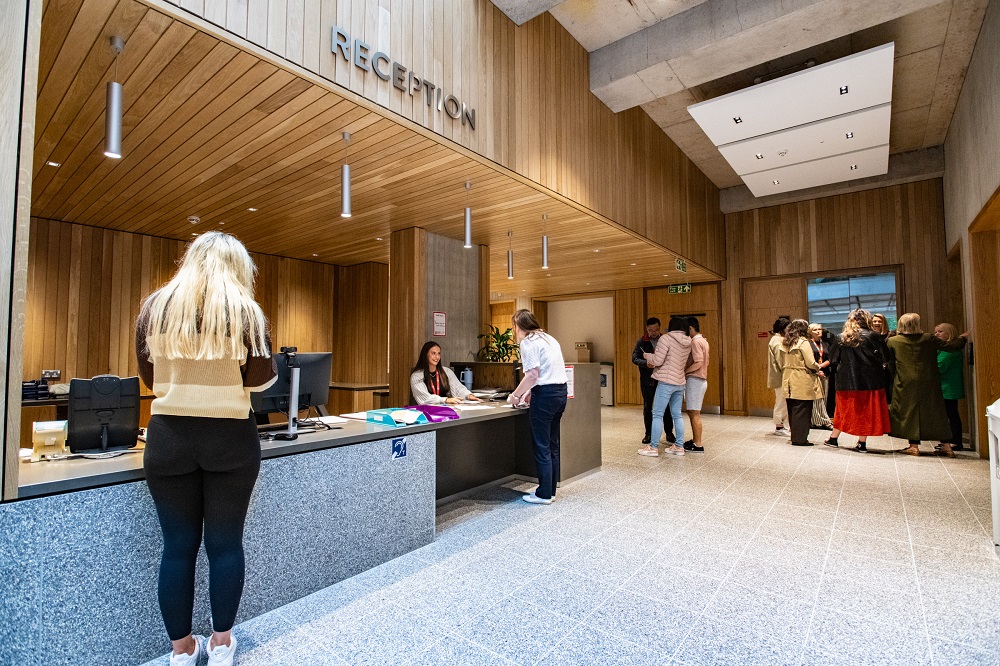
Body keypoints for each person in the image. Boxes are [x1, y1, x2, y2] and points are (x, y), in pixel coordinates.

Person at [135, 232, 278, 666]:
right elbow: (260, 382)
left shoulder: (155, 308)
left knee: (177, 546)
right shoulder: (247, 313)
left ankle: (181, 652)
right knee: (225, 543)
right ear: (238, 268)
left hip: (168, 437)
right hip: (230, 438)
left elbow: (148, 376)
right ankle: (220, 646)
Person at [507, 309, 568, 504]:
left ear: (519, 326)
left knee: (541, 445)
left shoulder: (528, 342)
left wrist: (515, 396)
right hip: (560, 393)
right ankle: (550, 490)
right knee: (552, 444)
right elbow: (548, 371)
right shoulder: (549, 339)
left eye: (514, 327)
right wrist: (531, 392)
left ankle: (543, 495)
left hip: (545, 398)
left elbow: (533, 375)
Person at [888, 313, 968, 457]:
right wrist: (963, 338)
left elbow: (889, 362)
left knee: (909, 412)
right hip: (929, 380)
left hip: (905, 381)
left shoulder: (893, 341)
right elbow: (952, 346)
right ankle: (947, 446)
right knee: (938, 412)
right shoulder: (928, 338)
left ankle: (913, 446)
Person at [823, 309, 891, 452]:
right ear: (867, 319)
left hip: (846, 381)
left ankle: (834, 438)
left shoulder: (841, 337)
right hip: (871, 381)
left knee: (842, 411)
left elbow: (833, 359)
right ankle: (861, 443)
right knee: (866, 412)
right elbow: (886, 357)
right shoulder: (874, 336)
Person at [638, 316, 692, 457]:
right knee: (677, 415)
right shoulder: (688, 340)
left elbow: (658, 360)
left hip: (666, 381)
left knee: (657, 414)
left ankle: (653, 447)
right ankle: (679, 446)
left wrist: (647, 356)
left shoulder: (665, 339)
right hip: (680, 382)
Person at [776, 319, 821, 446]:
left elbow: (780, 361)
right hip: (801, 378)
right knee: (803, 409)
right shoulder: (803, 342)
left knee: (792, 409)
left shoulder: (785, 342)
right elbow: (810, 362)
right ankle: (800, 439)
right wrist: (817, 367)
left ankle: (795, 436)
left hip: (787, 378)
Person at [631, 317, 674, 445]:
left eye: (656, 330)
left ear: (660, 328)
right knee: (648, 407)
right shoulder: (642, 341)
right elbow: (635, 358)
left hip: (663, 378)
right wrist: (646, 363)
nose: (654, 333)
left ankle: (669, 433)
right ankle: (648, 434)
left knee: (666, 407)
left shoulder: (665, 340)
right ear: (647, 329)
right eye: (651, 330)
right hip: (647, 380)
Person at [409, 341, 481, 405]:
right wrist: (445, 400)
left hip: (447, 409)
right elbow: (425, 399)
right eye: (433, 353)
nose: (437, 357)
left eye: (439, 353)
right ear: (425, 355)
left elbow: (458, 388)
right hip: (426, 412)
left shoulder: (447, 371)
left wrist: (468, 395)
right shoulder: (416, 376)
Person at [935, 322, 966, 451]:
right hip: (948, 386)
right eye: (936, 332)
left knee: (951, 414)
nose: (937, 334)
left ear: (949, 333)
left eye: (940, 331)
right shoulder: (948, 348)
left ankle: (954, 441)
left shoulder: (949, 350)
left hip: (948, 387)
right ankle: (949, 441)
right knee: (950, 414)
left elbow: (939, 367)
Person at [683, 317, 709, 453]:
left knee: (694, 413)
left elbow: (698, 362)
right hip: (699, 380)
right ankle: (695, 440)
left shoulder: (695, 342)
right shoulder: (703, 340)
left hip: (695, 380)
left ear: (690, 328)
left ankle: (698, 444)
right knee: (692, 412)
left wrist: (685, 371)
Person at [768, 317, 791, 436]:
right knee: (781, 402)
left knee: (783, 401)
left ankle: (782, 425)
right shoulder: (777, 340)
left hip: (781, 375)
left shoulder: (777, 339)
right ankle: (779, 426)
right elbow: (780, 359)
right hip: (780, 375)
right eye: (788, 328)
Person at [808, 323, 833, 429]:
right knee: (815, 398)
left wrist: (821, 366)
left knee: (824, 397)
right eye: (815, 330)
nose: (818, 331)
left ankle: (823, 419)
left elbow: (831, 358)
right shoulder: (808, 344)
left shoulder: (826, 344)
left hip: (824, 374)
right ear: (810, 332)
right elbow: (808, 360)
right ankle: (815, 420)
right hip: (813, 374)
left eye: (820, 329)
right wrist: (817, 369)